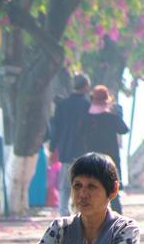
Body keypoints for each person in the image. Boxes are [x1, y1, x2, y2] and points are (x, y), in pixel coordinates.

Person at [56, 81, 132, 211]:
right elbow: (124, 129)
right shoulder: (111, 118)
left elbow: (78, 136)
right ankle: (119, 225)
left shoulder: (85, 118)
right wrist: (117, 113)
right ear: (107, 100)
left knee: (92, 192)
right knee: (113, 193)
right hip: (110, 160)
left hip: (92, 161)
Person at [45, 74, 92, 210]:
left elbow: (56, 128)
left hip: (66, 150)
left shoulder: (62, 105)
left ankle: (63, 213)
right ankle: (79, 212)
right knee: (82, 184)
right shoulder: (87, 105)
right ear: (86, 87)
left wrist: (53, 148)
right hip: (83, 151)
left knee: (65, 186)